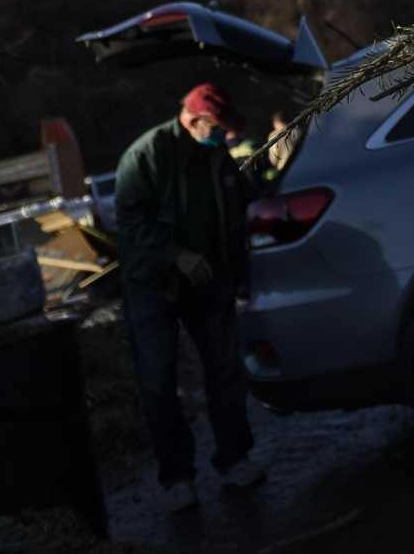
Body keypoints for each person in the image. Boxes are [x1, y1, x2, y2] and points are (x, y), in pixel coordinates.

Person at [113, 81, 265, 512]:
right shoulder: (146, 155)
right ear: (195, 120)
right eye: (217, 128)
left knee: (224, 369)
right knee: (160, 383)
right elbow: (129, 223)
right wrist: (174, 255)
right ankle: (176, 478)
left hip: (208, 278)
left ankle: (235, 459)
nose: (223, 137)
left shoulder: (217, 156)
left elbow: (243, 201)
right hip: (152, 283)